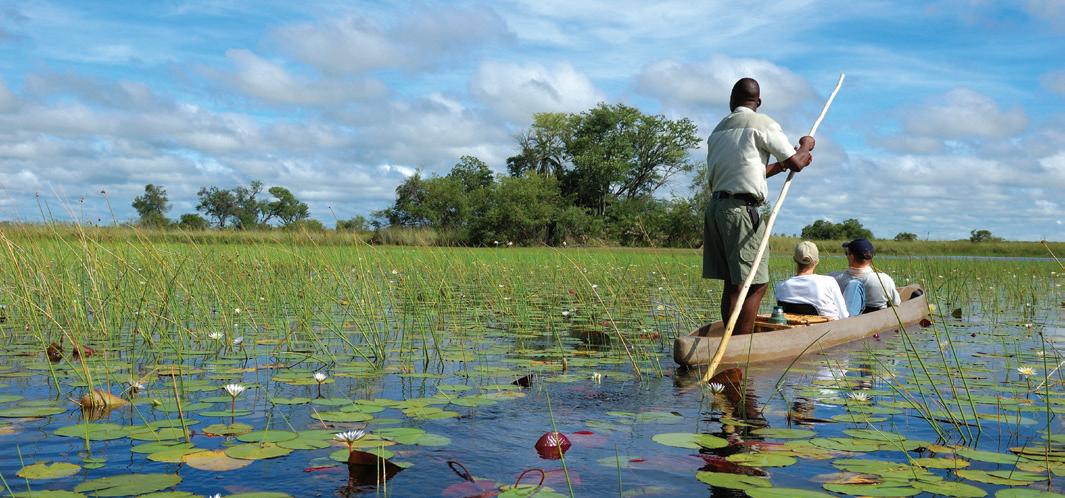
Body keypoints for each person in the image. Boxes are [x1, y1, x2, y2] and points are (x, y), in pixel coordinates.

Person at [703, 77, 816, 335]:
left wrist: (785, 164)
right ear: (759, 101)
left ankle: (731, 339)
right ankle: (741, 343)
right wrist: (805, 145)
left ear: (732, 101)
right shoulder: (762, 123)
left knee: (733, 283)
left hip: (716, 210)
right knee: (755, 284)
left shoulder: (719, 130)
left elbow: (753, 171)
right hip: (741, 212)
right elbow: (797, 162)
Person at [775, 241, 849, 320]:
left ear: (794, 259)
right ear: (817, 261)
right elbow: (844, 316)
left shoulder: (780, 286)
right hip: (829, 326)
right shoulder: (829, 282)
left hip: (795, 326)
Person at [831, 238, 901, 315]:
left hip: (847, 319)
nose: (846, 256)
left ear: (852, 257)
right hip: (879, 319)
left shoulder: (833, 278)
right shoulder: (885, 279)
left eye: (847, 253)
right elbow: (896, 303)